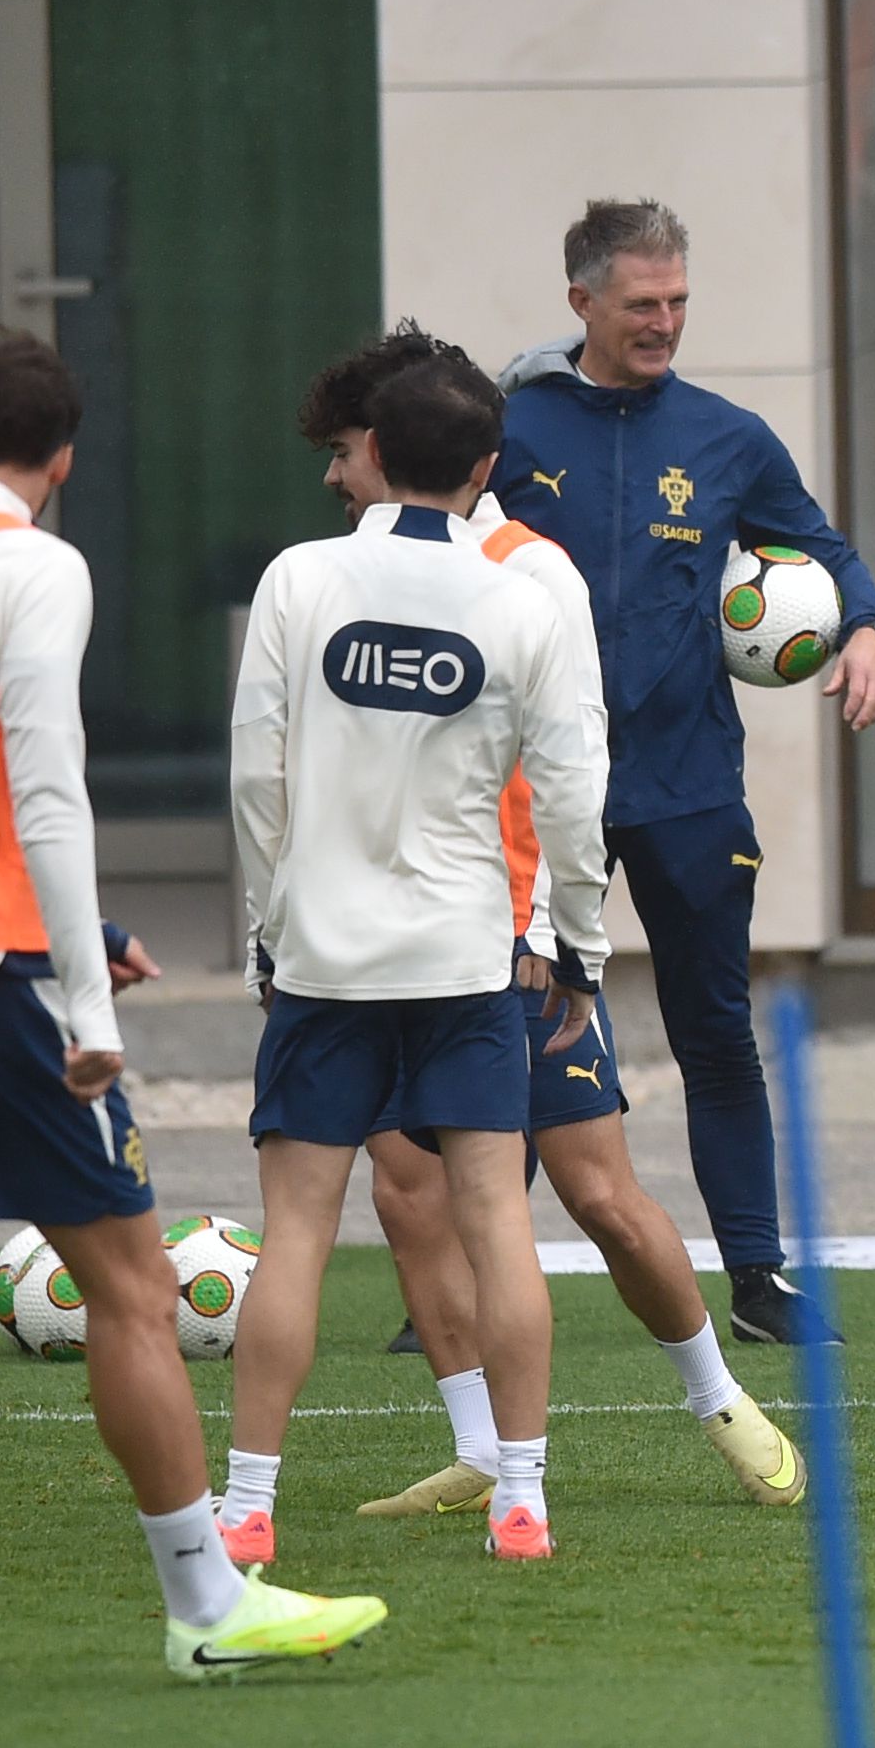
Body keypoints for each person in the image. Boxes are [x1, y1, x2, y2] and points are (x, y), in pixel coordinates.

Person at [0, 334, 384, 1700]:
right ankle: (207, 1604)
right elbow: (45, 793)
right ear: (64, 461)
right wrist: (85, 1003)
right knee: (134, 1292)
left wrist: (76, 934)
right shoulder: (34, 567)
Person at [260, 331, 799, 1521]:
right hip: (378, 947)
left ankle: (720, 1399)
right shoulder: (333, 574)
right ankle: (480, 1450)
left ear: (391, 446)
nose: (334, 474)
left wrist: (562, 933)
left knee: (597, 1193)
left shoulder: (529, 572)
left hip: (508, 944)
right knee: (408, 1194)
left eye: (344, 449)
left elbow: (572, 769)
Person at [225, 336, 611, 1566]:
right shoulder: (522, 598)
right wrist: (581, 945)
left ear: (377, 453)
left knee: (295, 1230)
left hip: (325, 962)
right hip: (465, 961)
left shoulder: (299, 578)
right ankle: (522, 1502)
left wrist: (268, 928)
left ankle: (245, 1508)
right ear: (485, 467)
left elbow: (254, 778)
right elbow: (574, 794)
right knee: (497, 1219)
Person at [498, 200, 875, 1347]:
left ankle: (758, 1280)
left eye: (676, 301)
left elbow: (822, 550)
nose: (664, 322)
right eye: (640, 304)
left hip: (686, 786)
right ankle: (463, 1285)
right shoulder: (511, 426)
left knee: (715, 1032)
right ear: (581, 301)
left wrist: (867, 627)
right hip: (535, 788)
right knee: (506, 1028)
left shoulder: (728, 437)